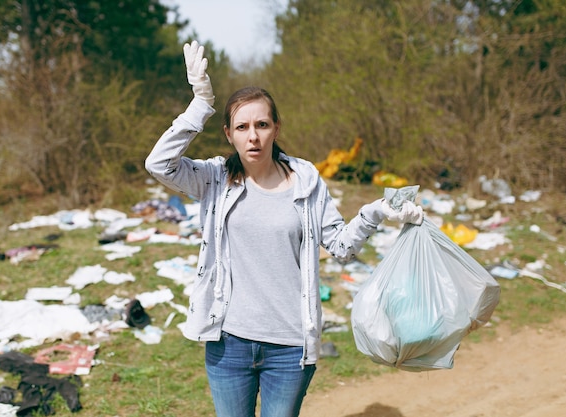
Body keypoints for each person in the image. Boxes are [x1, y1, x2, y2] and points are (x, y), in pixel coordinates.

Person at [145, 40, 423, 417]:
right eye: (242, 127)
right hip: (230, 344)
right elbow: (159, 163)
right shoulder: (214, 179)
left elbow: (340, 246)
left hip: (290, 348)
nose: (253, 136)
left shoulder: (307, 181)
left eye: (261, 124)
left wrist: (375, 212)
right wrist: (200, 104)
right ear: (229, 134)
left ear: (276, 127)